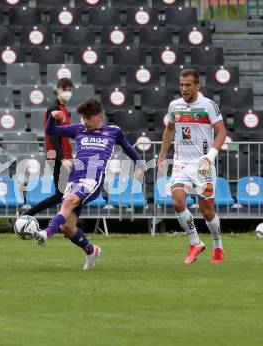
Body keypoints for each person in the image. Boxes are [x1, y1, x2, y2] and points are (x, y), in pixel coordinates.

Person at [32, 98, 145, 270]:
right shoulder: (78, 129)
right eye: (83, 117)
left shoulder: (113, 132)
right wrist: (52, 117)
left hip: (93, 178)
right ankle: (92, 251)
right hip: (74, 178)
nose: (84, 121)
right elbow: (51, 131)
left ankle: (45, 233)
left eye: (88, 118)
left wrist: (141, 166)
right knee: (67, 227)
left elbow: (129, 148)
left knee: (68, 202)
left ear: (99, 116)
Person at [157, 68, 226, 264]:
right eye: (181, 85)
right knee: (178, 202)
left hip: (203, 166)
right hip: (181, 163)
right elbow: (170, 129)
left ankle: (218, 244)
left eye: (188, 85)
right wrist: (162, 156)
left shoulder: (208, 106)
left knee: (207, 211)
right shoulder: (174, 106)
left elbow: (221, 133)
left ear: (197, 86)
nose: (184, 89)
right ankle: (195, 243)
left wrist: (210, 156)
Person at [22, 78, 74, 216]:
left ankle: (28, 214)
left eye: (70, 90)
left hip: (64, 156)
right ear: (58, 89)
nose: (68, 93)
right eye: (65, 89)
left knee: (64, 193)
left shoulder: (64, 109)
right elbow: (52, 136)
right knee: (62, 194)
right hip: (57, 155)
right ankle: (27, 214)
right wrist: (62, 159)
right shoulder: (54, 109)